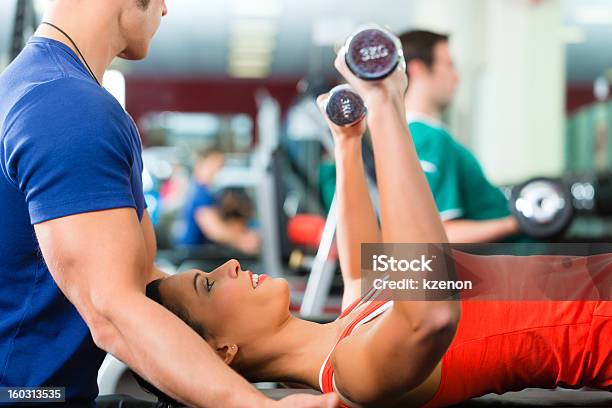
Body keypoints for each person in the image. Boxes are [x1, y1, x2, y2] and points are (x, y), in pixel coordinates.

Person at [145, 46, 611, 407]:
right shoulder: (355, 376)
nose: (227, 264)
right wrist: (387, 104)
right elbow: (430, 313)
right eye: (207, 285)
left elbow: (360, 263)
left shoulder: (351, 321)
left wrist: (346, 142)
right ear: (224, 350)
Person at [0, 1, 337, 407]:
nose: (164, 8)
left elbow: (140, 278)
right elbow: (112, 311)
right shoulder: (68, 107)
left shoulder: (38, 89)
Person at [400, 30, 524, 243]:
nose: (456, 76)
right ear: (418, 69)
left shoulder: (412, 135)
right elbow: (438, 236)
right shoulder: (427, 137)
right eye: (449, 65)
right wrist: (519, 222)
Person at [177, 148, 260, 254]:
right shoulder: (200, 193)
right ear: (200, 164)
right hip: (194, 256)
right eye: (213, 166)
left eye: (220, 167)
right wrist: (241, 240)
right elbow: (214, 229)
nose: (217, 171)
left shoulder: (207, 191)